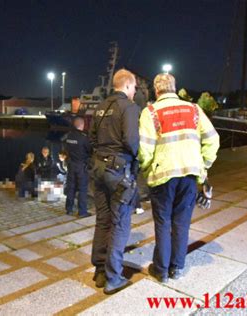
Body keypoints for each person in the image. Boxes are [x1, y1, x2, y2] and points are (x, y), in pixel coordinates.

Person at [138, 73, 220, 283]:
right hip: (190, 175)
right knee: (182, 223)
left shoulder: (150, 112)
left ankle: (161, 269)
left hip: (163, 177)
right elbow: (213, 140)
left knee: (163, 223)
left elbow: (144, 150)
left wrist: (147, 170)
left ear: (156, 91)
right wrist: (204, 165)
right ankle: (177, 267)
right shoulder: (194, 109)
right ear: (175, 88)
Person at [90, 69, 141, 295]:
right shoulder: (129, 107)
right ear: (128, 85)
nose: (135, 91)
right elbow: (131, 140)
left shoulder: (101, 107)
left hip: (98, 168)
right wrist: (139, 157)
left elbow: (92, 137)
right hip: (118, 170)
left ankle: (100, 270)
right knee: (120, 222)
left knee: (103, 219)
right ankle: (113, 277)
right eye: (135, 87)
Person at [63, 117, 92, 217]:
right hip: (81, 166)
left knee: (71, 187)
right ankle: (82, 211)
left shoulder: (68, 136)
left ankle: (69, 209)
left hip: (71, 164)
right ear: (82, 125)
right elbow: (89, 150)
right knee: (82, 189)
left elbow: (65, 149)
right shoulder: (84, 137)